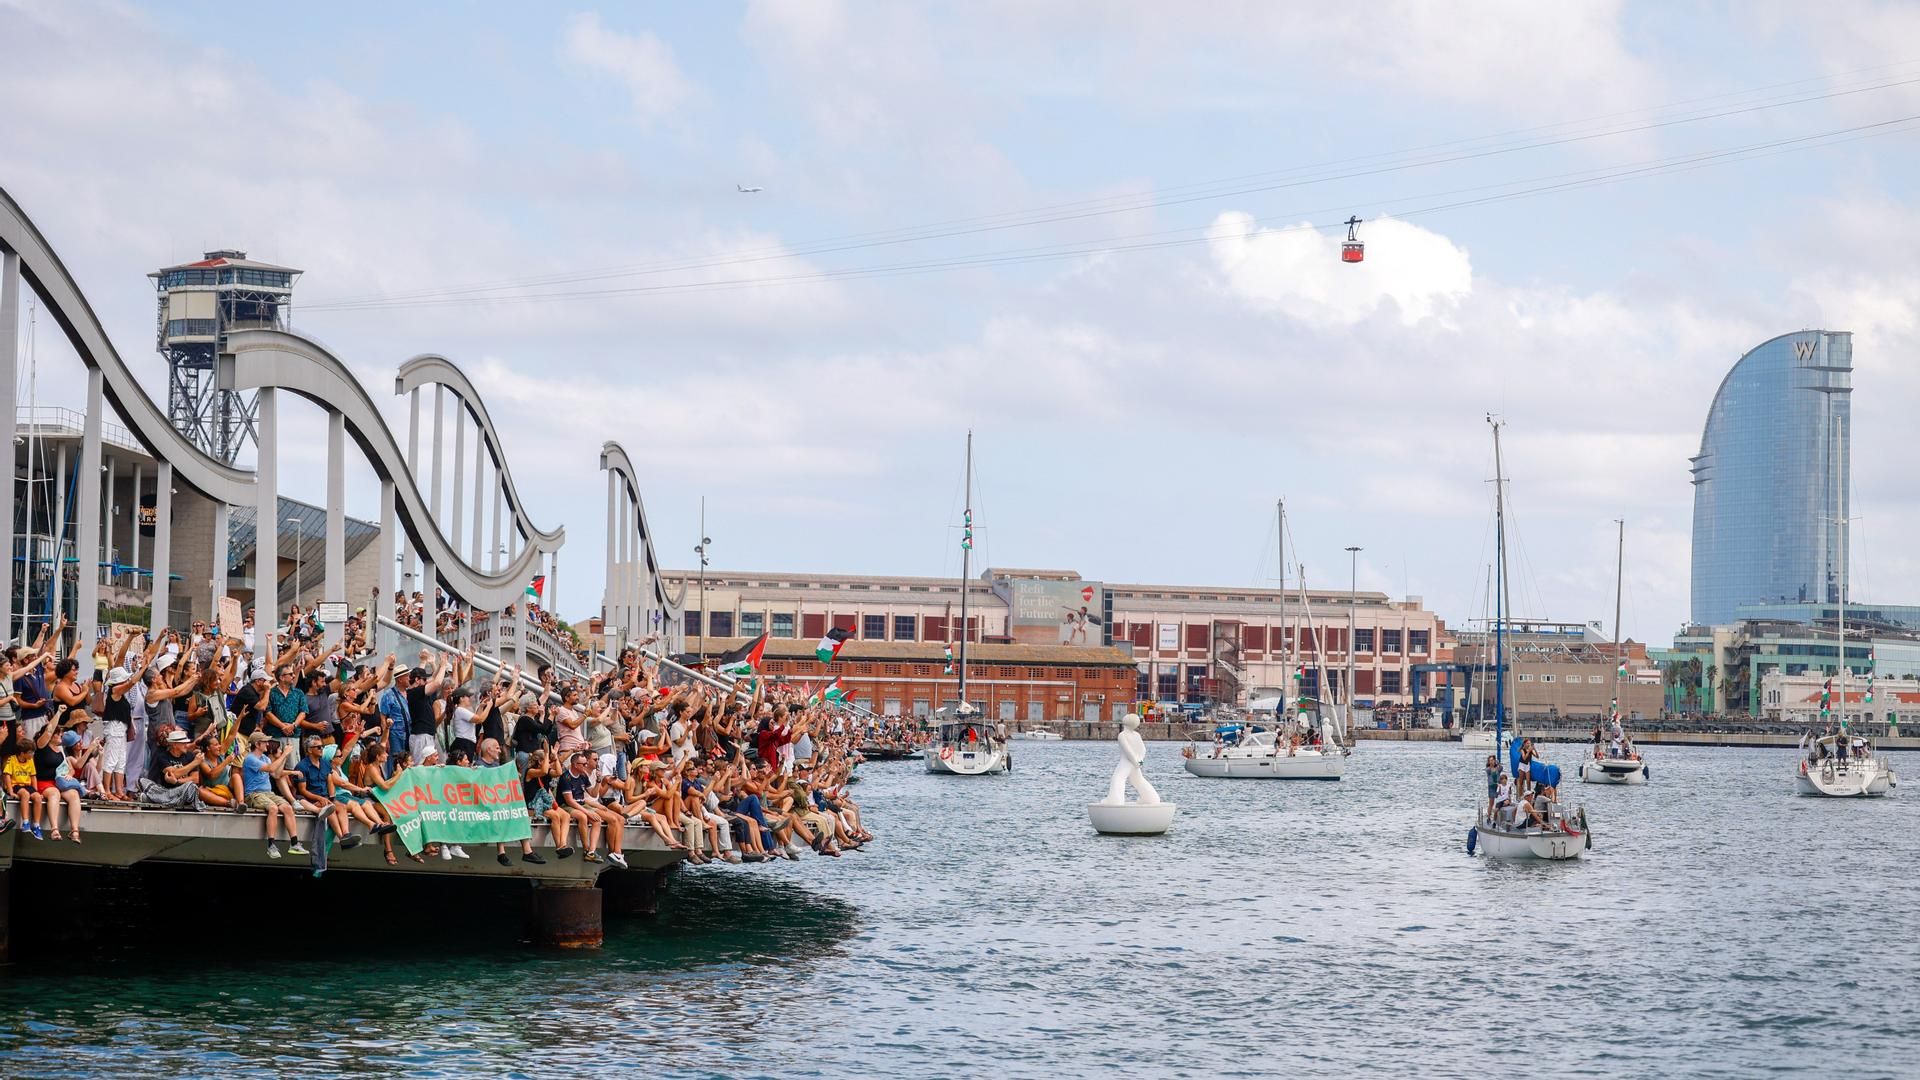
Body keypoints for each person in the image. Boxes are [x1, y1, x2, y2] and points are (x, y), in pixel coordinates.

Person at [241, 731, 305, 858]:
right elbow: (271, 769)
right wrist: (285, 754)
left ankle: (294, 843)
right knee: (273, 808)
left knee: (288, 808)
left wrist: (284, 757)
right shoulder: (250, 758)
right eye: (265, 742)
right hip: (254, 794)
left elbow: (276, 774)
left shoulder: (265, 758)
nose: (267, 744)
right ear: (257, 744)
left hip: (268, 793)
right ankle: (271, 845)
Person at [291, 736, 361, 849]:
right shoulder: (302, 766)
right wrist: (320, 798)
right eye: (318, 747)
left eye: (322, 746)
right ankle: (342, 838)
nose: (321, 749)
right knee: (331, 809)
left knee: (341, 806)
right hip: (309, 800)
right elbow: (302, 790)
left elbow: (330, 781)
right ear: (309, 750)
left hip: (325, 798)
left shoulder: (325, 763)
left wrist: (331, 797)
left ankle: (346, 834)